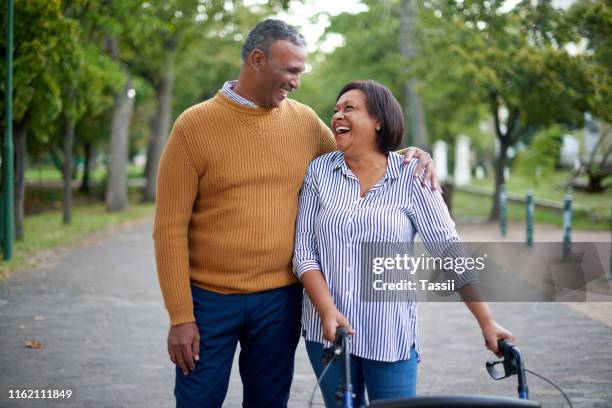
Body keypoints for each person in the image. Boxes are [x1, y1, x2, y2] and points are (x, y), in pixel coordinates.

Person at [153, 20, 439, 408]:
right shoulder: (193, 126)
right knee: (197, 401)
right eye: (291, 71)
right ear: (257, 61)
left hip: (279, 301)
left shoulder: (304, 122)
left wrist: (409, 155)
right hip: (209, 301)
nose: (296, 82)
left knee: (269, 403)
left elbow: (358, 150)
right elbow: (169, 229)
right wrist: (180, 315)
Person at [293, 80, 514, 407]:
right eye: (336, 109)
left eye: (349, 108)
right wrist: (327, 311)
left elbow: (448, 250)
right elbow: (303, 253)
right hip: (326, 332)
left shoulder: (413, 175)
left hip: (389, 334)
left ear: (379, 120)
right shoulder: (319, 173)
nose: (338, 115)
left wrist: (487, 322)